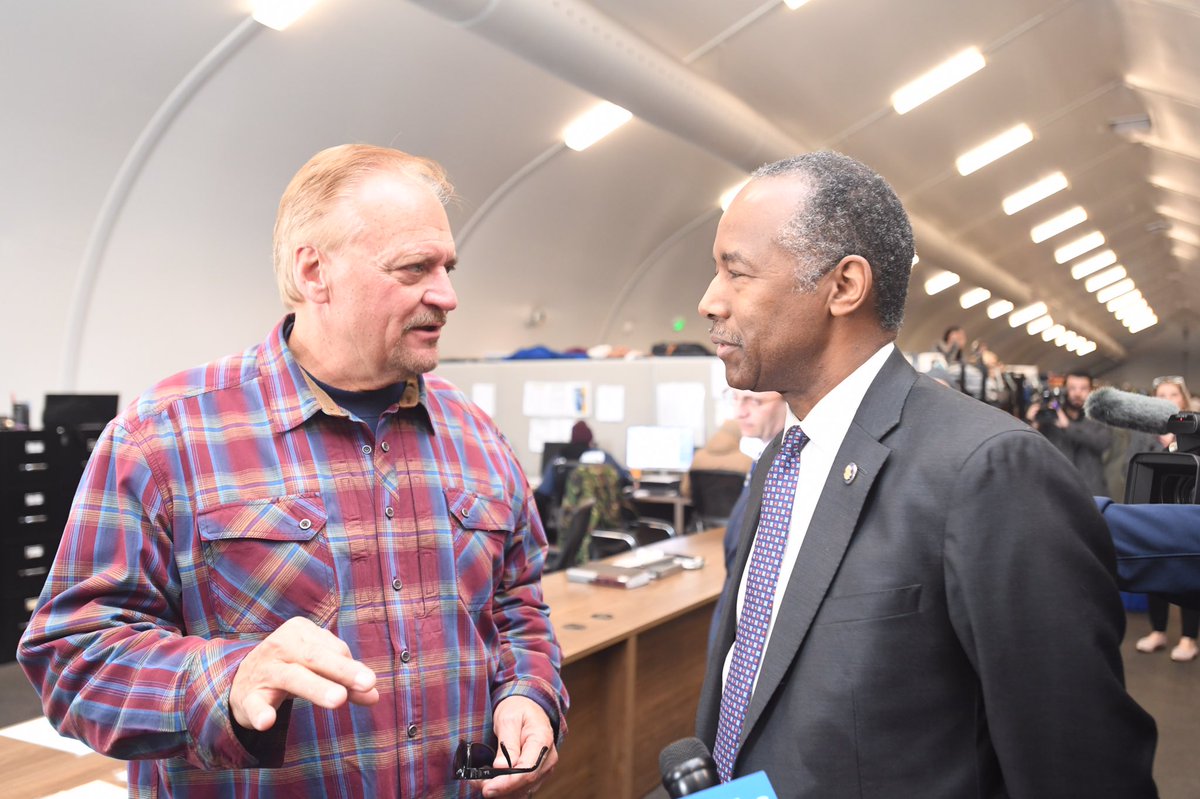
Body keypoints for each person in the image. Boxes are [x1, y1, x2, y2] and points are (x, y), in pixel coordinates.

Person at [19, 144, 567, 798]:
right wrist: (228, 682)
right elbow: (73, 656)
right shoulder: (165, 437)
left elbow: (517, 603)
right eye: (414, 268)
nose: (447, 295)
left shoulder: (476, 436)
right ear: (315, 272)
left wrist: (527, 693)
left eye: (446, 267)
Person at [694, 151, 1156, 796]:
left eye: (736, 272)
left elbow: (1077, 768)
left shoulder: (987, 470)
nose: (709, 300)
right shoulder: (783, 458)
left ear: (844, 287)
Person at [1134, 375, 1199, 662]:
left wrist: (1178, 443)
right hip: (1155, 509)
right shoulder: (1143, 432)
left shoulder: (1196, 430)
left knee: (1189, 572)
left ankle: (1189, 638)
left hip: (1189, 511)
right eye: (1161, 395)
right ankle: (1158, 631)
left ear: (1183, 398)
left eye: (1173, 394)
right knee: (1155, 569)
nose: (1168, 400)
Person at [1026, 370, 1113, 496]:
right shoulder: (1051, 417)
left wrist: (1068, 426)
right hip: (1057, 491)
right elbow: (1030, 449)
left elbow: (1103, 443)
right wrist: (1032, 422)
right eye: (1072, 388)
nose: (1077, 393)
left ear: (1091, 391)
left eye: (1083, 388)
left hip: (1091, 492)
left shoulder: (1099, 417)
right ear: (1065, 390)